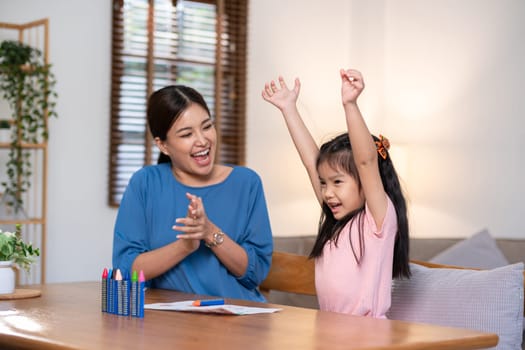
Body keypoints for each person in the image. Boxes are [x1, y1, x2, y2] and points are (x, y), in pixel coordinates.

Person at [262, 69, 410, 317]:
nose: (328, 193)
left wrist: (350, 104)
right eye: (323, 183)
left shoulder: (377, 222)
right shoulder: (337, 223)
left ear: (365, 181)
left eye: (337, 182)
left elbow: (365, 162)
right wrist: (288, 109)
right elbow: (311, 162)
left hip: (367, 338)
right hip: (330, 333)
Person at [113, 85, 273, 302]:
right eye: (187, 134)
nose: (202, 140)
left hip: (237, 323)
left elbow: (256, 273)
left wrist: (210, 232)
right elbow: (126, 272)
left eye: (207, 126)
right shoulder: (145, 183)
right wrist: (184, 247)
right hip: (169, 326)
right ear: (163, 145)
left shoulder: (246, 183)